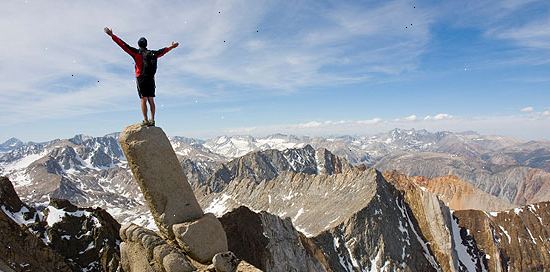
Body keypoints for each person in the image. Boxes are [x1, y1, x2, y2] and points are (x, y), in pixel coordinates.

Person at [104, 27, 179, 126]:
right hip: (151, 78)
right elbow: (163, 51)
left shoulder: (136, 53)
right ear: (146, 44)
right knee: (151, 99)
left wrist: (112, 36)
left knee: (143, 99)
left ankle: (145, 120)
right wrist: (172, 47)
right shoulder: (153, 54)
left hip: (141, 78)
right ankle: (152, 120)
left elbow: (123, 45)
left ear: (139, 45)